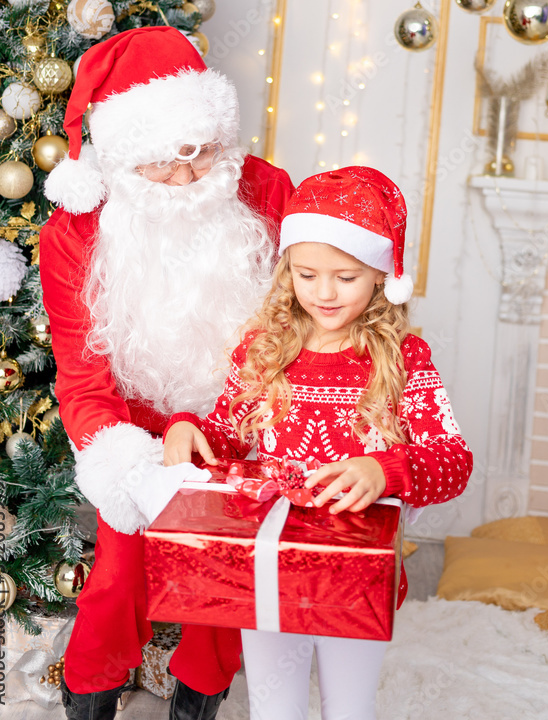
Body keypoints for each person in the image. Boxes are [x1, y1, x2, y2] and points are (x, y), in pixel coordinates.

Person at [39, 26, 294, 720]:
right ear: (120, 159)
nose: (184, 178)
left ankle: (197, 699)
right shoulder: (76, 233)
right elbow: (82, 378)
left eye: (199, 152)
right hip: (133, 425)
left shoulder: (264, 190)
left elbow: (303, 311)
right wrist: (133, 461)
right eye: (161, 162)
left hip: (239, 415)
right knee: (119, 576)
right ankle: (90, 691)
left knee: (224, 573)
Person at [163, 166, 473, 720]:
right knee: (273, 705)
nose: (324, 293)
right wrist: (189, 427)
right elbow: (226, 437)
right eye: (306, 275)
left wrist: (385, 471)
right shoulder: (263, 350)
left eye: (346, 277)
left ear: (382, 274)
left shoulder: (403, 361)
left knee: (348, 707)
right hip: (272, 560)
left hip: (355, 570)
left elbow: (452, 460)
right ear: (288, 271)